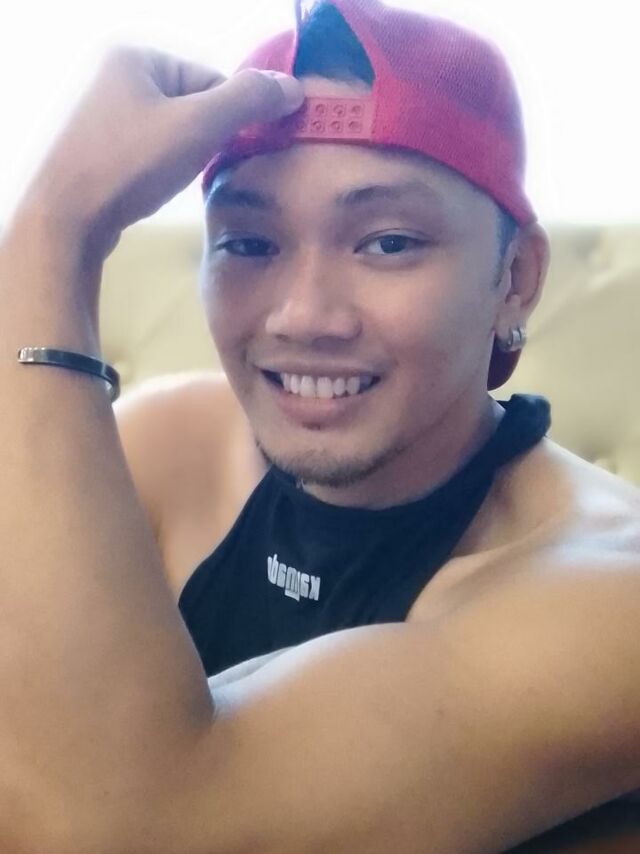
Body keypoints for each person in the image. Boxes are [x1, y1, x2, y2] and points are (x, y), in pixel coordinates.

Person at [0, 0, 638, 850]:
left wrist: (50, 231)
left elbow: (124, 830)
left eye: (387, 242)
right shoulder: (165, 446)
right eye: (248, 243)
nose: (302, 316)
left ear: (515, 278)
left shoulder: (611, 602)